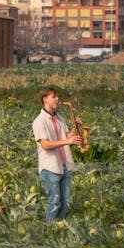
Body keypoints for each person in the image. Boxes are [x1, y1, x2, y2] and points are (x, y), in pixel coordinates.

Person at [32, 87, 81, 222]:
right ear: (45, 99)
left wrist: (75, 128)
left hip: (63, 165)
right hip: (50, 167)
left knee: (65, 201)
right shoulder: (39, 121)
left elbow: (66, 136)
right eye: (54, 97)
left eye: (57, 96)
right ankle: (50, 231)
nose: (57, 99)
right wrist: (68, 141)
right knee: (54, 201)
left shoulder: (59, 118)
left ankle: (59, 230)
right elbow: (45, 145)